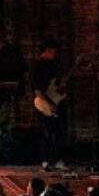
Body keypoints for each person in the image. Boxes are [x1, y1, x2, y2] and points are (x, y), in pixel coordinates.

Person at [31, 40, 68, 171]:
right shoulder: (36, 66)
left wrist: (62, 88)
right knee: (45, 132)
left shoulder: (54, 66)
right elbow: (37, 90)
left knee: (58, 132)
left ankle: (57, 159)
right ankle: (45, 160)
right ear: (47, 51)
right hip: (42, 102)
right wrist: (49, 103)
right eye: (54, 53)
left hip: (55, 100)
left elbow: (56, 86)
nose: (55, 55)